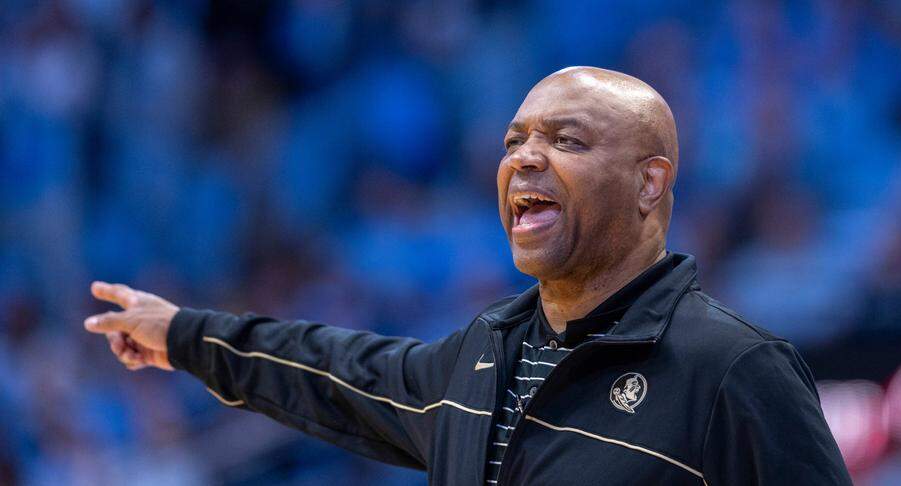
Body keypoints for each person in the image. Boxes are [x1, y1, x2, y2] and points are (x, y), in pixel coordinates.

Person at [83, 67, 851, 485]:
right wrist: (183, 334)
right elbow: (333, 372)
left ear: (651, 183)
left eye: (568, 139)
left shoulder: (734, 369)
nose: (524, 157)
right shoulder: (483, 354)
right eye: (514, 139)